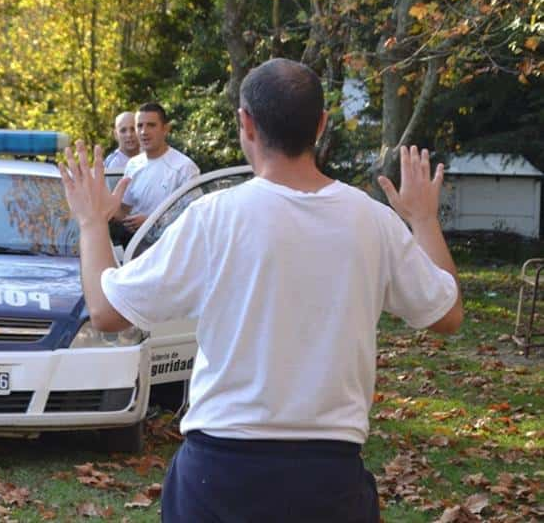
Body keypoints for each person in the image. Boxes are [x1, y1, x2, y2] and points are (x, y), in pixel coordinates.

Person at [59, 58, 462, 523]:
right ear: (321, 125)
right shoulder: (372, 220)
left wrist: (92, 223)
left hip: (220, 475)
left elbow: (108, 313)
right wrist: (425, 220)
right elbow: (446, 314)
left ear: (245, 123)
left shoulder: (214, 218)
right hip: (329, 479)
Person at [114, 102, 199, 234]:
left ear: (165, 129)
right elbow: (123, 210)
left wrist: (153, 222)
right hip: (138, 251)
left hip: (173, 249)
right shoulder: (133, 164)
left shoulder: (184, 167)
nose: (144, 132)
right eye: (139, 126)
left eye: (151, 125)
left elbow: (195, 215)